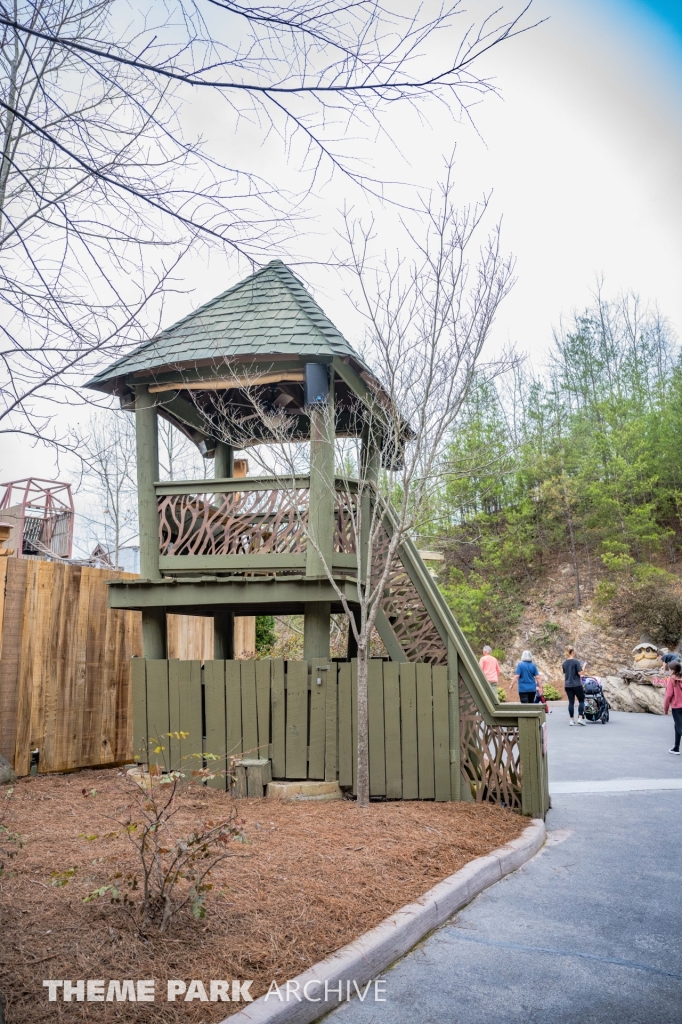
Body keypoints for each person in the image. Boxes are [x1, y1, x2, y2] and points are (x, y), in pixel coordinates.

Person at [562, 645, 586, 726]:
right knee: (581, 701)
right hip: (576, 684)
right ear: (572, 652)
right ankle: (580, 718)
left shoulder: (564, 663)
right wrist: (584, 666)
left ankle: (571, 720)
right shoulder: (576, 662)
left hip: (568, 685)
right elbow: (580, 673)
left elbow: (566, 672)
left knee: (571, 702)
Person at [664, 661, 682, 754]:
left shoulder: (671, 680)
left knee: (680, 727)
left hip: (677, 707)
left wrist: (666, 709)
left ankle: (676, 747)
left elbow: (668, 695)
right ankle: (676, 747)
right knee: (677, 726)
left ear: (672, 670)